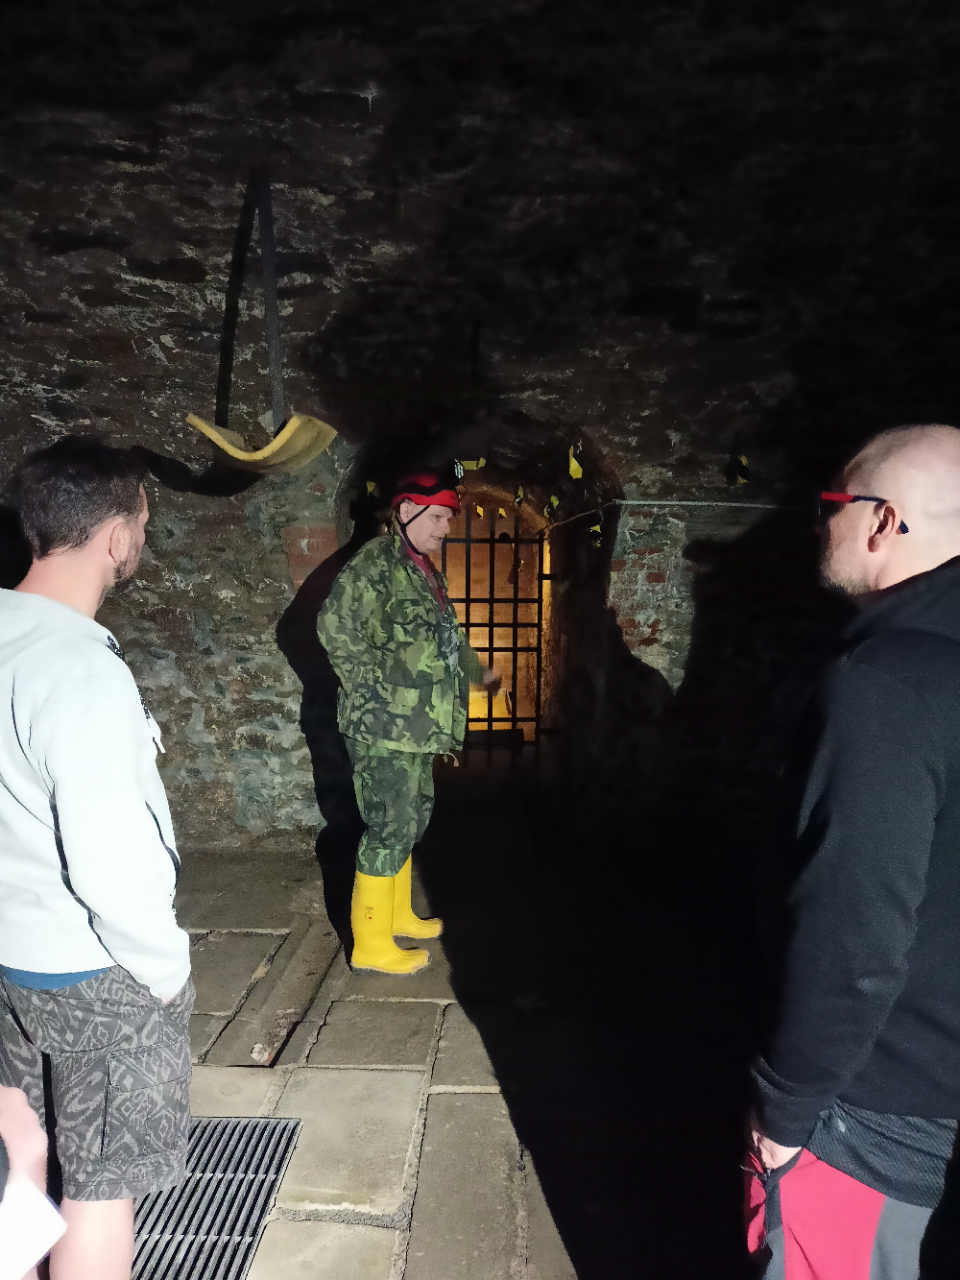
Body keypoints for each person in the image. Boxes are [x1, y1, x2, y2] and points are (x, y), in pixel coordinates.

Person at [746, 424, 960, 1278]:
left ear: (883, 521)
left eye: (831, 503)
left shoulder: (886, 682)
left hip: (875, 1095)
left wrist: (788, 1103)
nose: (819, 522)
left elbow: (854, 923)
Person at [0, 436, 193, 1280]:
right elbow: (113, 864)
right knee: (100, 1190)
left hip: (8, 960)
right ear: (118, 536)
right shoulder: (79, 668)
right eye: (143, 523)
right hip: (93, 973)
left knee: (22, 1156)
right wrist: (165, 970)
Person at [317, 470, 499, 975]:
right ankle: (371, 943)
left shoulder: (425, 571)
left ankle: (398, 916)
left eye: (448, 518)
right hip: (384, 727)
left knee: (410, 820)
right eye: (437, 516)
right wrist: (372, 689)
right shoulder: (377, 562)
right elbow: (333, 625)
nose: (446, 527)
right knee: (389, 825)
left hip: (418, 727)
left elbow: (448, 638)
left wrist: (477, 671)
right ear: (405, 511)